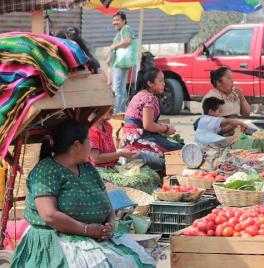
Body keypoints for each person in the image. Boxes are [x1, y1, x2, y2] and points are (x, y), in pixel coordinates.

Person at [11, 120, 155, 268]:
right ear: (76, 145)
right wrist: (85, 229)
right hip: (57, 239)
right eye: (88, 141)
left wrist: (110, 224)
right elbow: (49, 215)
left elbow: (107, 203)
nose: (91, 146)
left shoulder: (88, 169)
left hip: (94, 236)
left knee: (141, 261)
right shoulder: (46, 171)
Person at [123, 67, 183, 156]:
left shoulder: (140, 94)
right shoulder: (148, 98)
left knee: (175, 145)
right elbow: (148, 125)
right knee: (177, 149)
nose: (164, 84)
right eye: (161, 81)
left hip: (130, 137)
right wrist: (166, 128)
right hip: (138, 138)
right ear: (150, 83)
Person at [89, 108, 165, 171]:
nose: (113, 110)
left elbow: (110, 151)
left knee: (144, 163)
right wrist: (120, 153)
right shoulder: (92, 130)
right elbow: (96, 159)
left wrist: (124, 153)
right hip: (99, 170)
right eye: (109, 108)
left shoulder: (107, 126)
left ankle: (166, 164)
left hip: (112, 165)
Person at [110, 11, 136, 113]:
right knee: (120, 88)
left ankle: (117, 111)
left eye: (117, 20)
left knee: (117, 88)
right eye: (113, 20)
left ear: (124, 20)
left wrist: (113, 46)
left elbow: (128, 40)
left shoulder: (126, 28)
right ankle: (121, 110)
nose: (114, 22)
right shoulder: (122, 30)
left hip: (121, 63)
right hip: (120, 63)